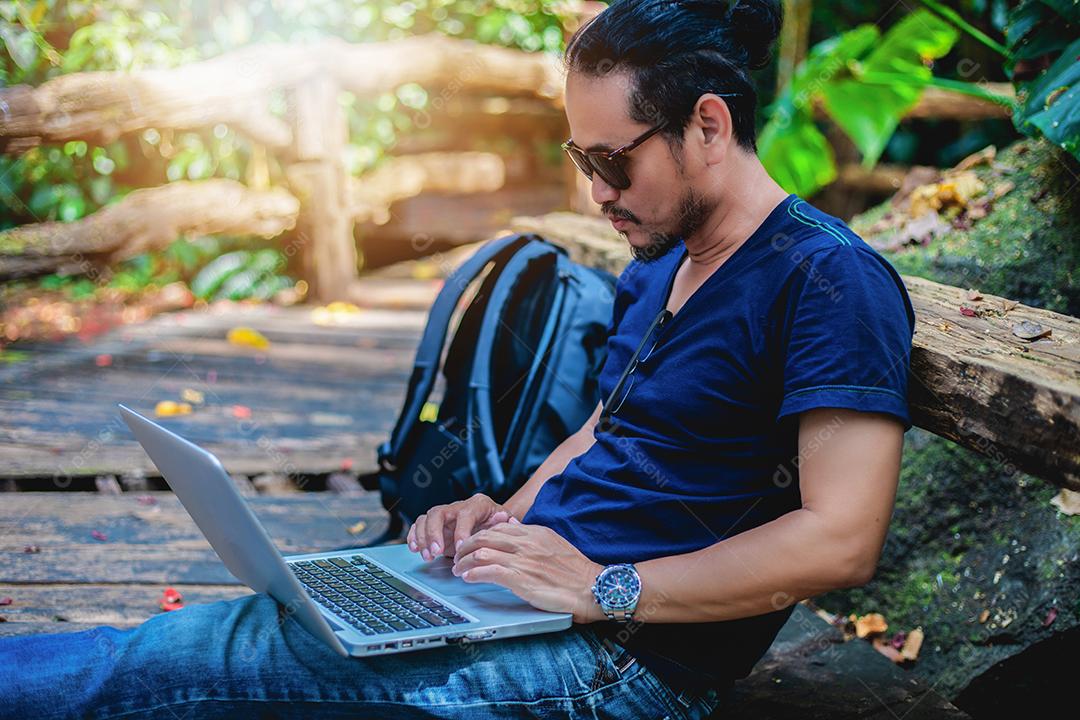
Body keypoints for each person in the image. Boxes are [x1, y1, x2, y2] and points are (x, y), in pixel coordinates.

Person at [0, 1, 916, 718]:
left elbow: (842, 537)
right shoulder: (673, 259)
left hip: (621, 669)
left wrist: (607, 589)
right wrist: (496, 518)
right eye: (578, 157)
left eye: (612, 161)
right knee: (256, 627)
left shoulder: (828, 281)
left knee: (207, 661)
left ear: (708, 126)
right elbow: (611, 428)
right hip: (533, 603)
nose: (596, 193)